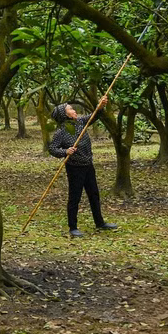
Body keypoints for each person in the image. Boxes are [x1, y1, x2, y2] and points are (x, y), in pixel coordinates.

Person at [48, 98, 118, 238]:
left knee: (94, 194)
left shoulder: (80, 122)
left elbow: (94, 116)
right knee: (75, 197)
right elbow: (52, 148)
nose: (74, 110)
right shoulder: (61, 132)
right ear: (65, 115)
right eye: (70, 109)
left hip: (88, 165)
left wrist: (100, 106)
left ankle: (100, 223)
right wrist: (65, 151)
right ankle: (73, 227)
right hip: (75, 168)